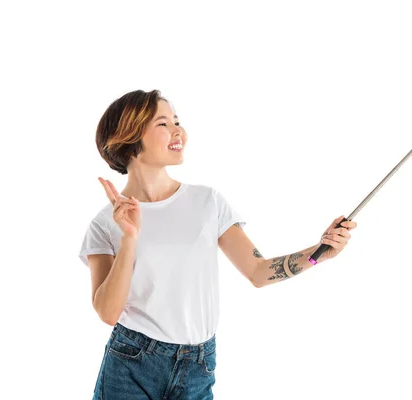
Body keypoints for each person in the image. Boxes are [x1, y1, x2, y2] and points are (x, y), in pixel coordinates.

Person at [78, 89, 357, 399]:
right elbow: (108, 313)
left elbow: (258, 271)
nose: (178, 131)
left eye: (177, 121)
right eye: (163, 124)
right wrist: (129, 237)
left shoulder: (207, 202)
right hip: (131, 362)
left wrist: (319, 253)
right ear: (130, 135)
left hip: (198, 365)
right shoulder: (105, 224)